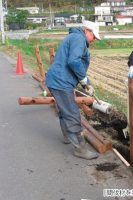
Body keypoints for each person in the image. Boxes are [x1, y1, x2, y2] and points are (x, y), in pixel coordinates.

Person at [45, 20, 101, 160]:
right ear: (87, 31)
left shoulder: (74, 37)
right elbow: (74, 61)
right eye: (94, 36)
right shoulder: (79, 39)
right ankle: (80, 148)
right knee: (72, 113)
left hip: (58, 80)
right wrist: (84, 79)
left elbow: (72, 62)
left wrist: (84, 84)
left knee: (65, 110)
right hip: (61, 82)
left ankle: (67, 137)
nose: (94, 40)